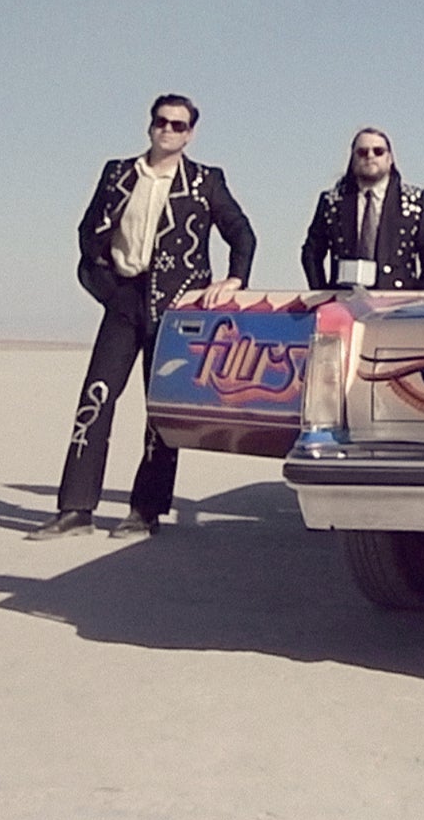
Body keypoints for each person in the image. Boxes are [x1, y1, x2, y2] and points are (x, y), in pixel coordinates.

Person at [31, 94, 256, 540]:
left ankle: (145, 510)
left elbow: (242, 233)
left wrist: (233, 280)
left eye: (178, 125)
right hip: (124, 299)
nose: (167, 130)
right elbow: (88, 231)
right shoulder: (118, 173)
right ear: (150, 126)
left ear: (190, 134)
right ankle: (76, 508)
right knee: (95, 398)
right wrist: (105, 283)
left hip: (174, 309)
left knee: (159, 410)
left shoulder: (204, 181)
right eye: (161, 122)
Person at [299, 128, 424, 291]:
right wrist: (323, 293)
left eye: (378, 151)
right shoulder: (331, 202)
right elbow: (312, 252)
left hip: (398, 301)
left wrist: (420, 294)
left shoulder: (415, 201)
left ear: (390, 158)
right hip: (345, 300)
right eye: (362, 152)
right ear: (352, 159)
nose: (370, 156)